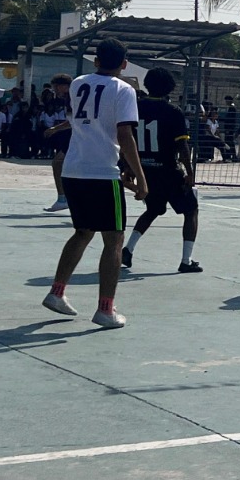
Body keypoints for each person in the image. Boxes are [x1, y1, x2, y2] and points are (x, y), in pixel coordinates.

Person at [40, 39, 147, 329]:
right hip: (102, 173)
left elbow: (79, 120)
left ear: (96, 60)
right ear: (124, 64)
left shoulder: (77, 84)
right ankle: (105, 309)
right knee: (114, 240)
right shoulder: (124, 89)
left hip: (74, 169)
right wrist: (140, 177)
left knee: (82, 232)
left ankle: (57, 292)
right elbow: (124, 134)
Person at [122, 67, 203, 273]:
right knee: (191, 211)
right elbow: (182, 146)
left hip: (145, 170)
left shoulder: (136, 107)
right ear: (170, 87)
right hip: (168, 169)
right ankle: (186, 260)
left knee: (153, 209)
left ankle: (128, 249)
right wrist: (189, 171)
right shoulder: (173, 112)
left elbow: (127, 139)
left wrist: (129, 166)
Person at [41, 73, 73, 211]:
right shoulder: (69, 98)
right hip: (75, 136)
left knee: (58, 163)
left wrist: (55, 129)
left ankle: (63, 199)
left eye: (56, 87)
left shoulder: (73, 98)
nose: (54, 91)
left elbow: (73, 122)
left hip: (79, 137)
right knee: (61, 164)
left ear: (63, 86)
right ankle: (64, 198)